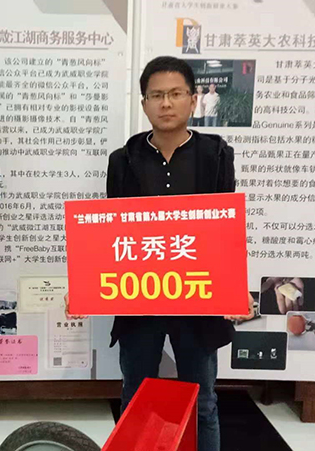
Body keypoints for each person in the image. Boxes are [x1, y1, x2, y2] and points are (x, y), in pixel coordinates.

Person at [103, 56, 251, 451]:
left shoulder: (216, 154)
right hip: (139, 296)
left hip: (198, 297)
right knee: (136, 397)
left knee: (202, 402)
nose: (166, 103)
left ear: (192, 99)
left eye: (175, 94)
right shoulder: (123, 159)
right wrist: (87, 287)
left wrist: (233, 288)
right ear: (144, 103)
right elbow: (111, 235)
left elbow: (224, 228)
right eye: (156, 95)